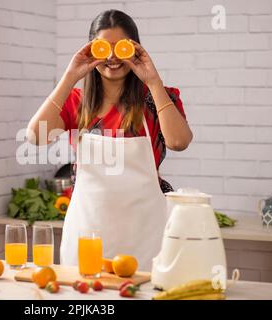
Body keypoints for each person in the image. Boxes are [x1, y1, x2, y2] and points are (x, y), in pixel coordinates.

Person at [27, 10, 192, 271]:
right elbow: (35, 136)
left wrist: (153, 81)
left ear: (136, 50)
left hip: (146, 235)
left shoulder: (158, 98)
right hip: (87, 234)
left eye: (122, 48)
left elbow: (179, 141)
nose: (113, 57)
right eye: (104, 48)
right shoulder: (77, 103)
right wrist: (70, 76)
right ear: (92, 51)